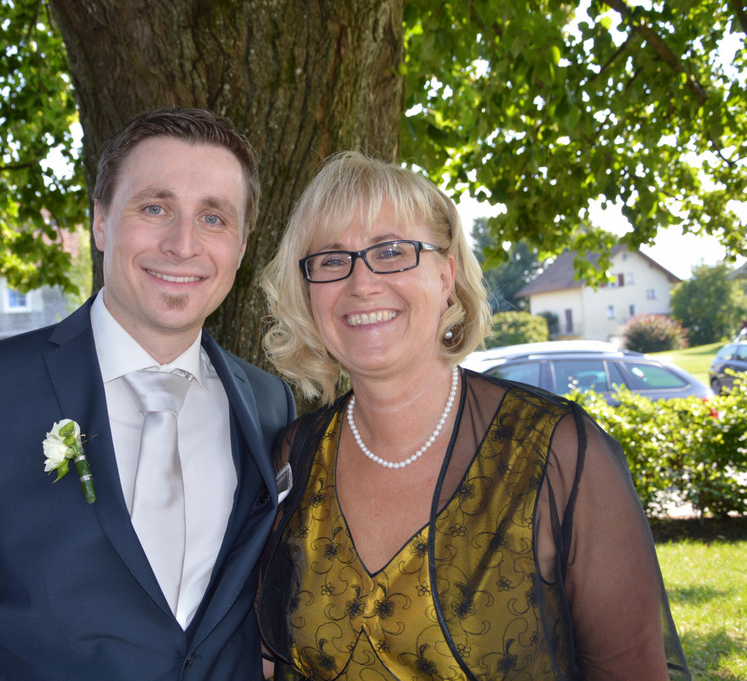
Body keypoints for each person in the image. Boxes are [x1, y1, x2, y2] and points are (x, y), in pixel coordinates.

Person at [0, 108, 295, 681]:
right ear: (101, 222)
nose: (183, 244)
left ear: (242, 246)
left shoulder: (270, 405)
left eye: (213, 218)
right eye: (155, 208)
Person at [256, 151, 690, 680]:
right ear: (306, 290)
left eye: (391, 252)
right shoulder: (295, 456)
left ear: (447, 276)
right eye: (331, 260)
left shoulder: (557, 455)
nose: (361, 283)